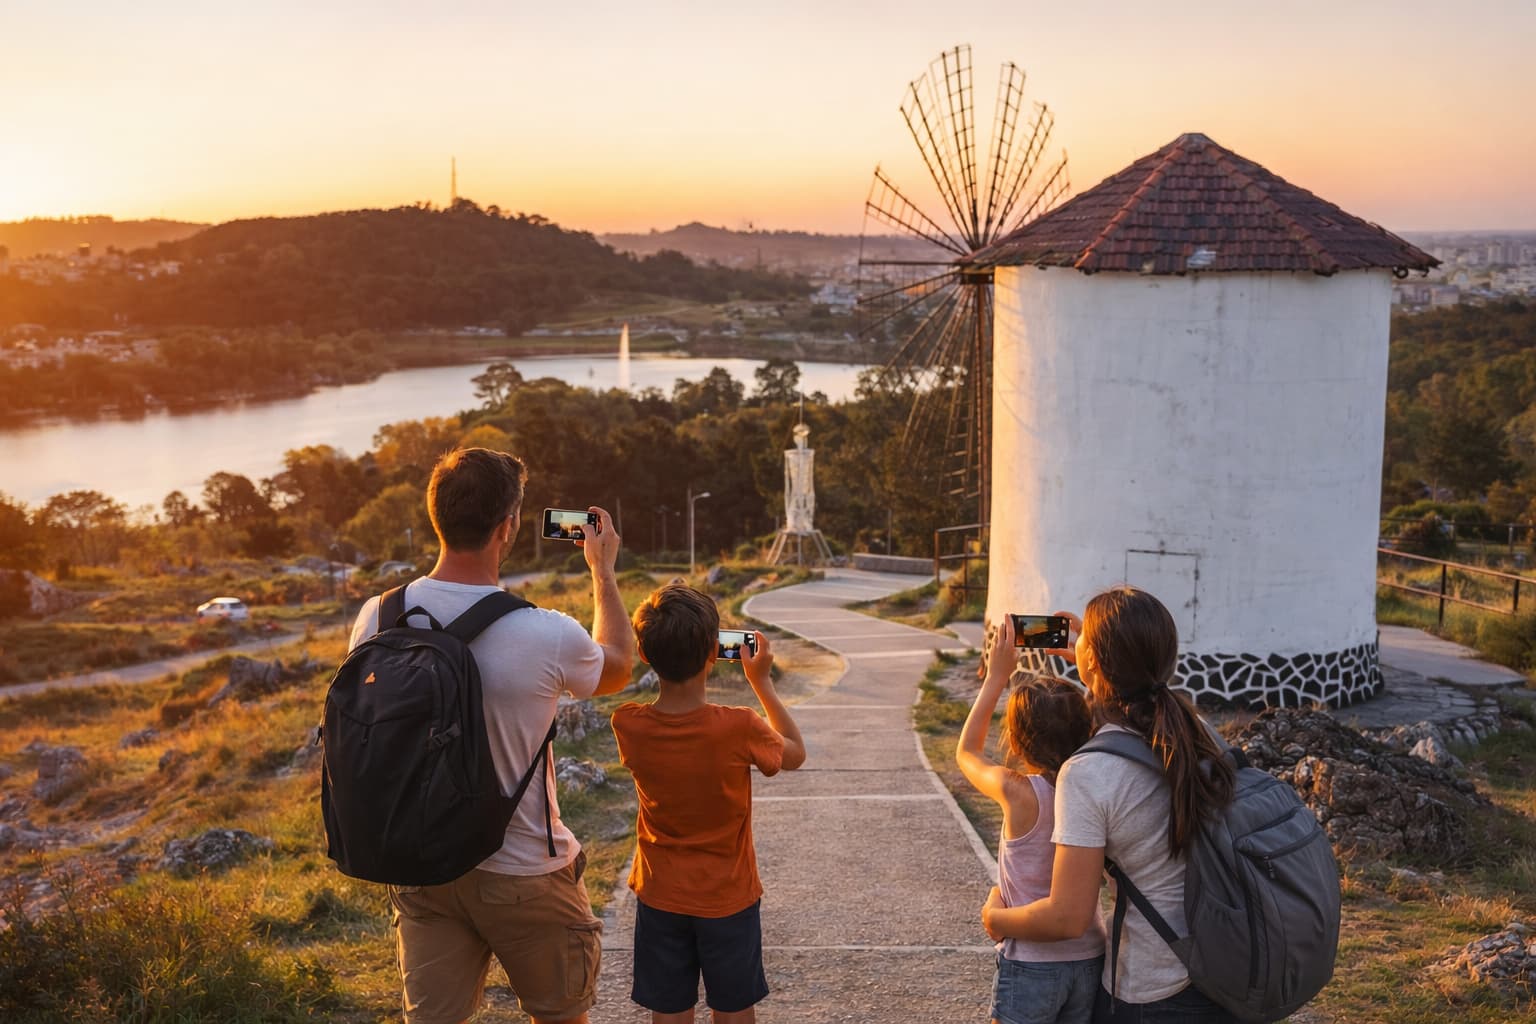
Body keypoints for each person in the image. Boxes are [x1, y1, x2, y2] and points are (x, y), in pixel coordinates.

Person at [348, 447, 635, 1024]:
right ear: (508, 527)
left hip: (421, 866)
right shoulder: (545, 632)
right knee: (561, 1015)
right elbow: (619, 665)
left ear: (438, 519)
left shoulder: (378, 616)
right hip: (525, 870)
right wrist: (602, 571)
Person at [979, 586, 1238, 1024]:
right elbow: (1131, 708)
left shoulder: (1088, 771)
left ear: (1096, 660)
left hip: (1153, 990)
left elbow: (1067, 918)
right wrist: (1091, 660)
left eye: (1086, 642)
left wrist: (996, 918)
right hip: (1218, 966)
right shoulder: (1194, 734)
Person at [610, 583, 807, 1024]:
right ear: (714, 655)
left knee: (670, 1011)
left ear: (645, 654)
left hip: (660, 894)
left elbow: (617, 666)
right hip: (729, 899)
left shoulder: (628, 725)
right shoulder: (739, 727)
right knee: (734, 1010)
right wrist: (761, 682)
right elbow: (793, 752)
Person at [958, 617, 1104, 1024]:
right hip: (1091, 959)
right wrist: (1088, 674)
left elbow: (967, 753)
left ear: (1018, 741)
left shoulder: (1020, 793)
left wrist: (996, 678)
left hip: (1032, 963)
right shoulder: (1093, 784)